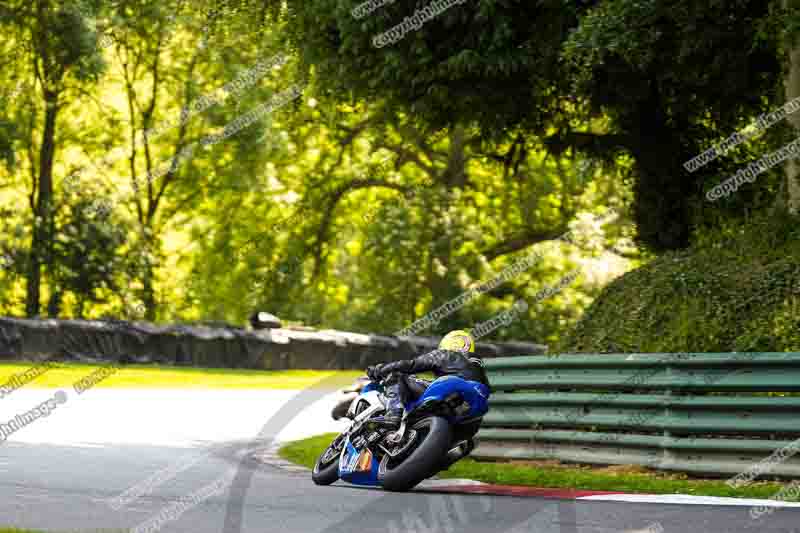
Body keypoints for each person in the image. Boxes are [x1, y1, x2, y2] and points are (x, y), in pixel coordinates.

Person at [366, 330, 490, 429]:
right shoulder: (478, 362)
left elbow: (412, 365)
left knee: (396, 375)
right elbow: (487, 388)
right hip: (478, 402)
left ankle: (393, 413)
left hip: (452, 385)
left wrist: (381, 369)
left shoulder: (445, 354)